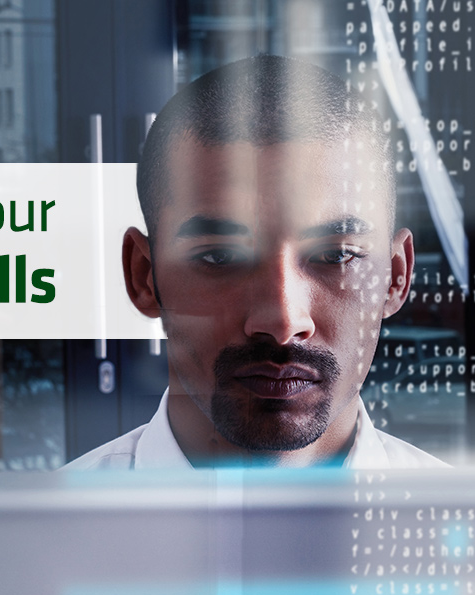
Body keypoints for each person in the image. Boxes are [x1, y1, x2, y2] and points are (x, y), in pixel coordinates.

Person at [68, 55, 446, 470]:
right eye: (220, 256)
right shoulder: (37, 533)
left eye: (336, 255)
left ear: (395, 277)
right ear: (144, 276)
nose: (283, 322)